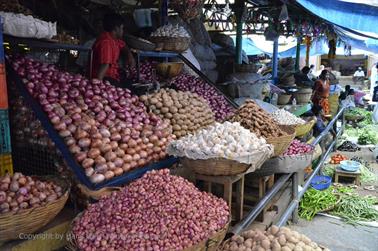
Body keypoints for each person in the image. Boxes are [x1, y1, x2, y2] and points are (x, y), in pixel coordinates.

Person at [91, 13, 135, 87]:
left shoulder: (114, 39)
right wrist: (97, 87)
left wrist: (130, 56)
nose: (123, 31)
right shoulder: (106, 42)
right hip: (105, 78)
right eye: (122, 28)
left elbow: (124, 46)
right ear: (116, 28)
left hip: (113, 76)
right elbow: (105, 65)